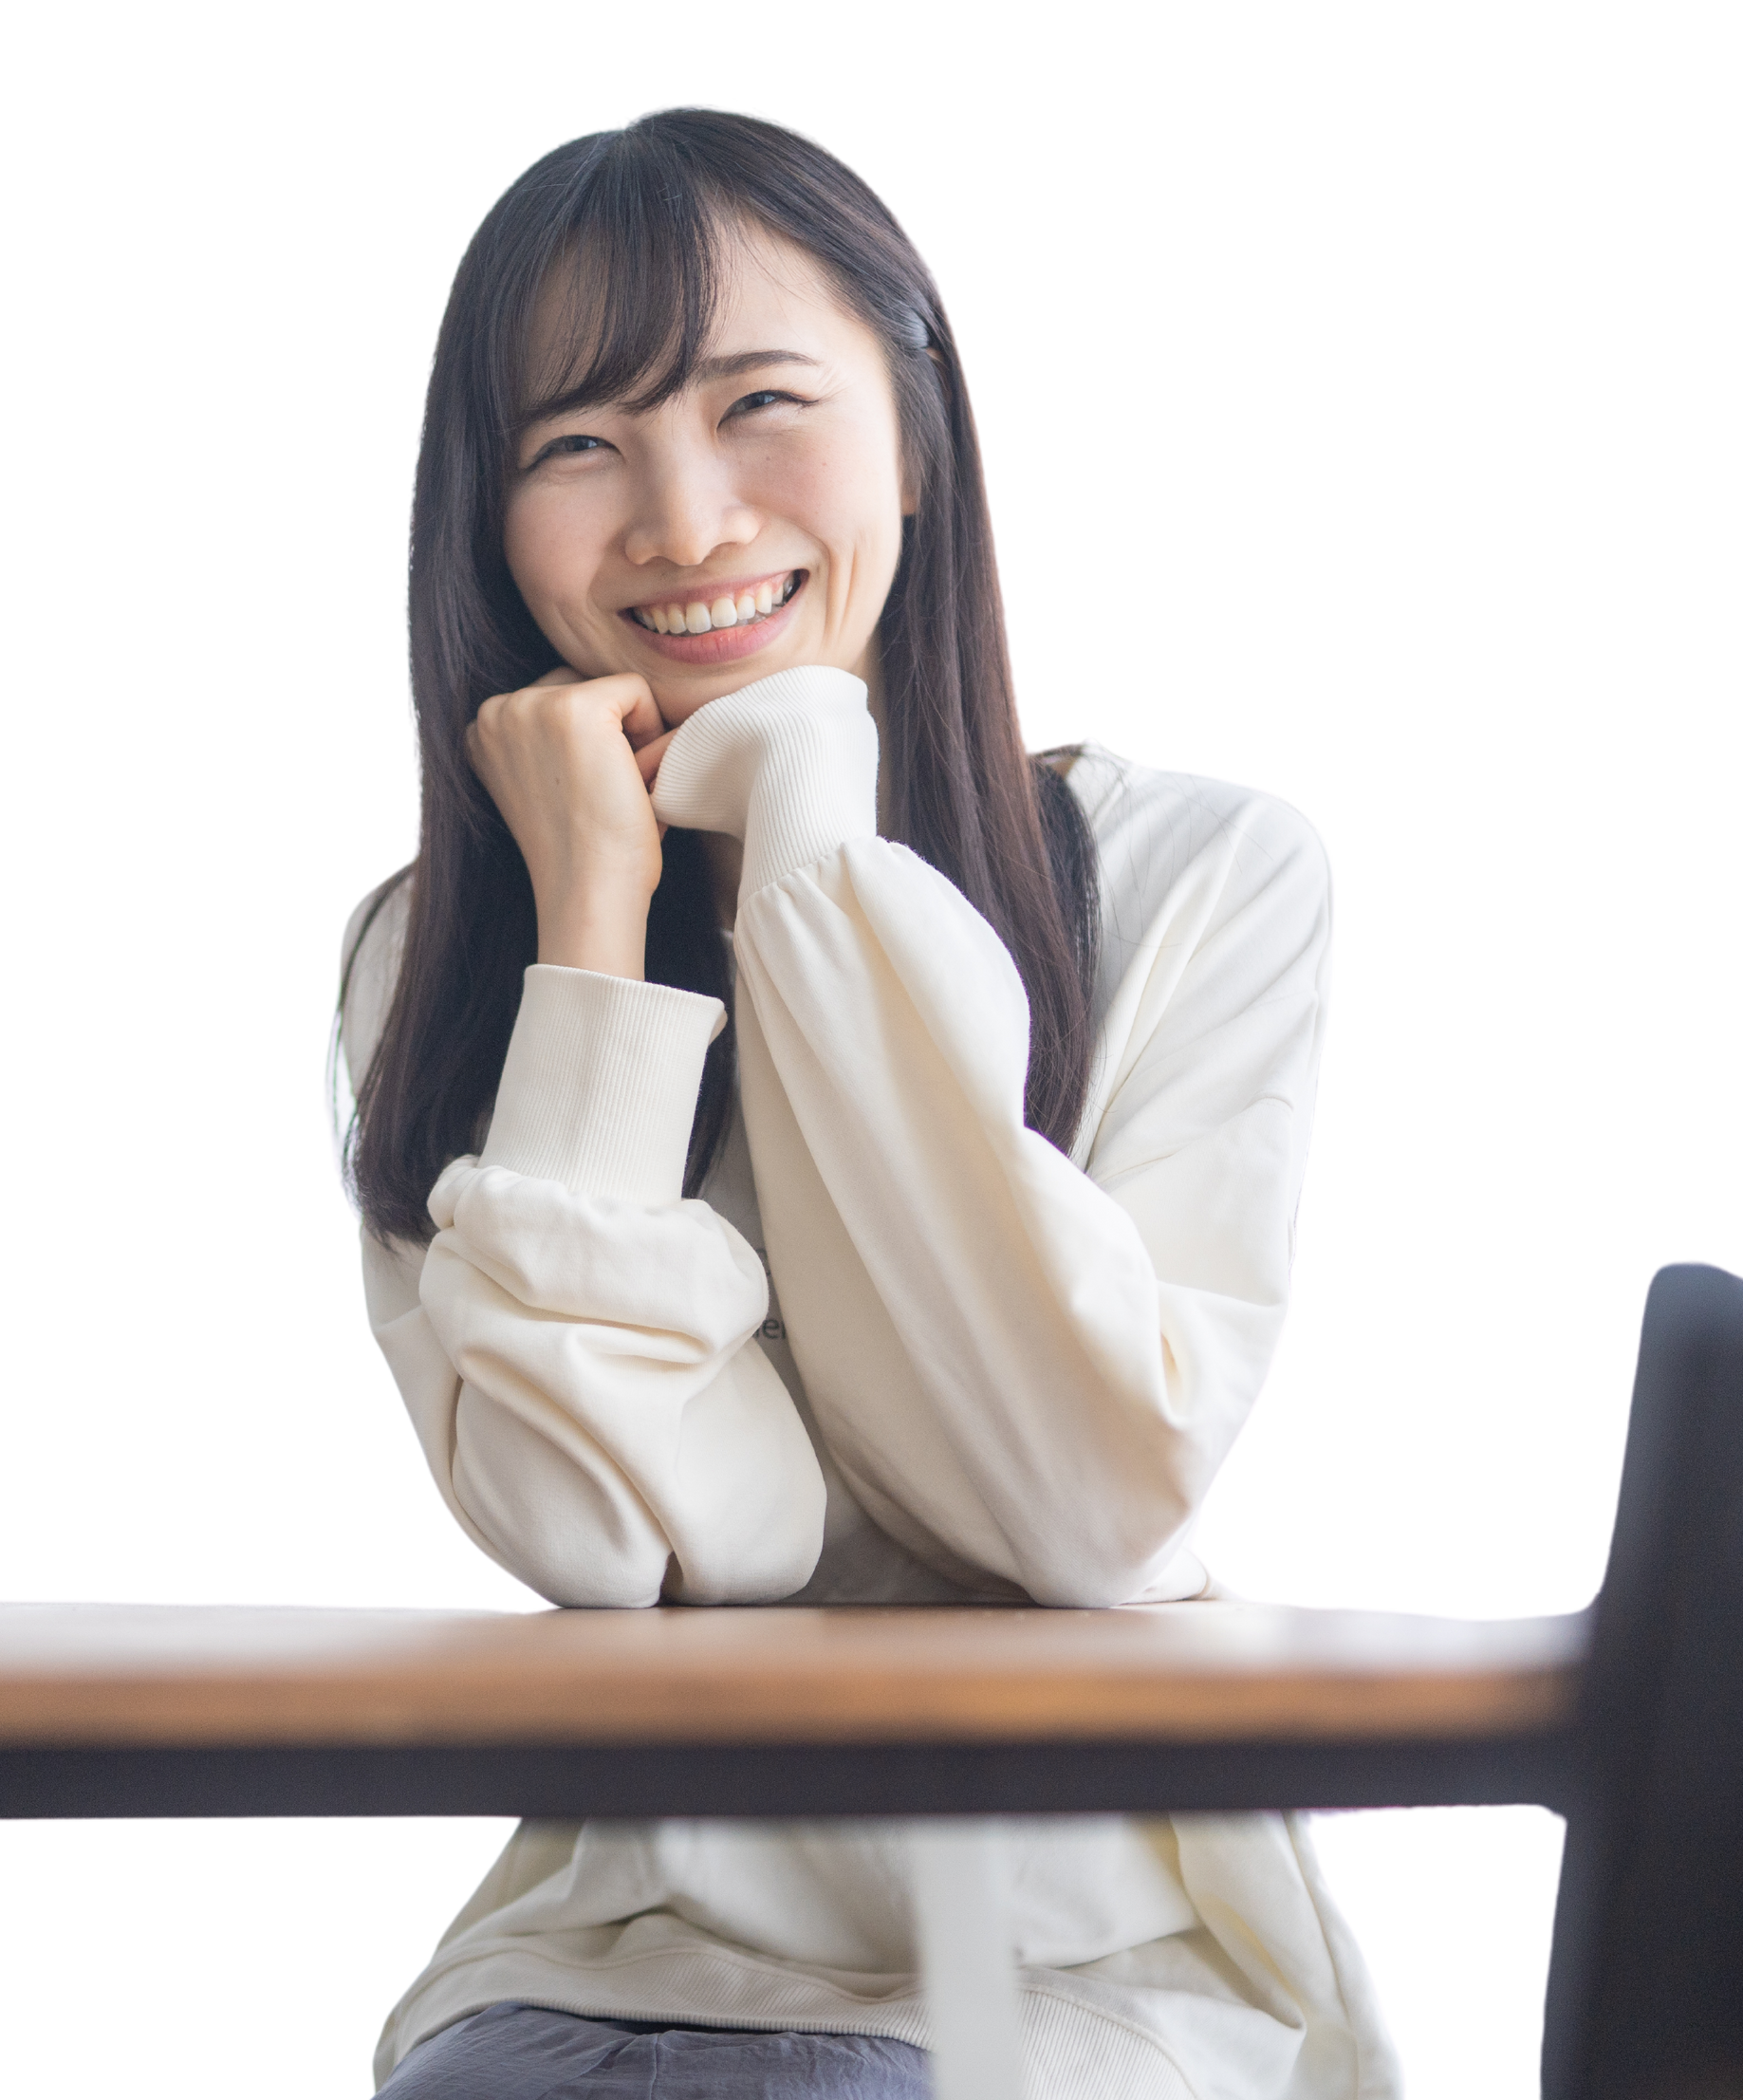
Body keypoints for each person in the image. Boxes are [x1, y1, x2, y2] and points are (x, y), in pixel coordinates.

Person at [322, 111, 1396, 2099]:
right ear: (484, 515)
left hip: (1079, 1953)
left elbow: (1070, 1503)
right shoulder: (425, 957)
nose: (682, 518)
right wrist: (591, 936)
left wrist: (807, 844)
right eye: (575, 444)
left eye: (757, 406)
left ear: (911, 425)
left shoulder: (1199, 880)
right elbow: (609, 1535)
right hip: (602, 1949)